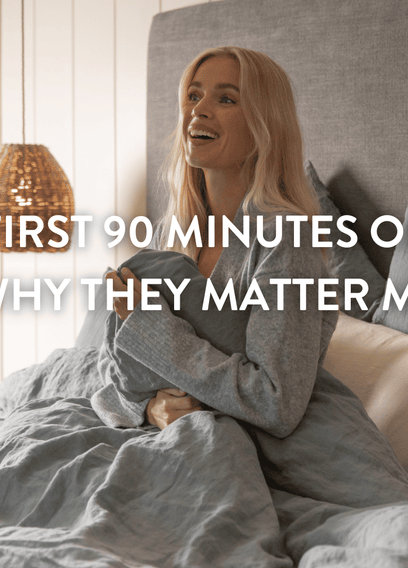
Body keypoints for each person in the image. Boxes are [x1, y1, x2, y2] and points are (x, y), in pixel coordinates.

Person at [103, 46, 337, 436]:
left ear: (267, 125)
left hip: (249, 454)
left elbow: (275, 402)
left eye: (226, 99)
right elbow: (110, 377)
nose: (200, 109)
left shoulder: (286, 241)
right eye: (193, 96)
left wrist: (149, 327)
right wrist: (151, 407)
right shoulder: (173, 235)